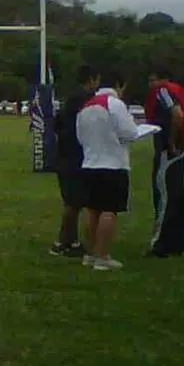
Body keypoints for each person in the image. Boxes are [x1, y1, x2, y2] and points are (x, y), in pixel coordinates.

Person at [76, 72, 138, 270]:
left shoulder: (85, 106)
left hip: (89, 163)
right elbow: (130, 132)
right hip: (113, 164)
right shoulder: (115, 104)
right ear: (119, 87)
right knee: (109, 211)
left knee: (91, 209)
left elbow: (80, 136)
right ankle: (103, 256)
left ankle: (91, 254)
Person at [144, 69, 184, 258]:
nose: (149, 85)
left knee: (163, 196)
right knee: (176, 196)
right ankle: (177, 242)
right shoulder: (179, 90)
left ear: (159, 79)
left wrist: (171, 142)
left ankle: (160, 243)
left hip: (167, 152)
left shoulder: (162, 91)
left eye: (151, 80)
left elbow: (176, 114)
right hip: (179, 152)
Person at [49, 64, 101, 257]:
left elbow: (56, 125)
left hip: (64, 154)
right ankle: (61, 242)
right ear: (93, 79)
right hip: (74, 156)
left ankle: (71, 241)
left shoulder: (70, 99)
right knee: (73, 202)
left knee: (75, 201)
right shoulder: (85, 100)